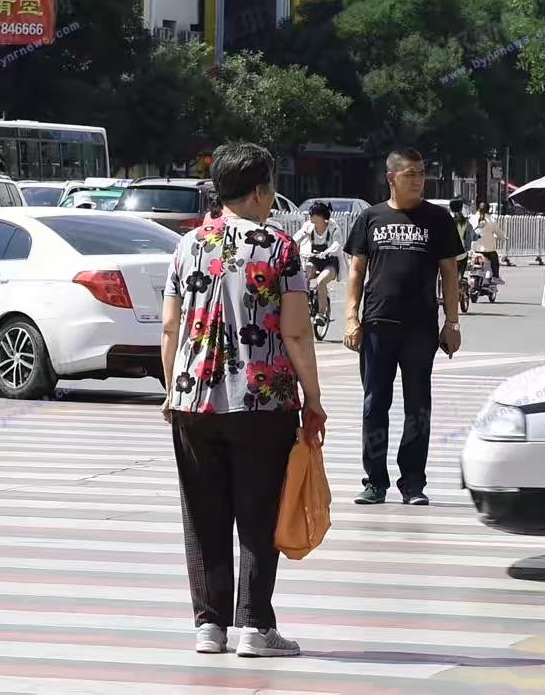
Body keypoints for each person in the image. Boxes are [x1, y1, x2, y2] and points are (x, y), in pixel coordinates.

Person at [160, 142, 326, 659]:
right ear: (258, 191)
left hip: (192, 398)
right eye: (271, 187)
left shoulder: (188, 246)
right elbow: (296, 332)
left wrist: (171, 388)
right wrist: (314, 399)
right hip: (263, 401)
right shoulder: (280, 249)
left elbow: (170, 326)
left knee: (203, 511)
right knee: (257, 511)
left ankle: (208, 626)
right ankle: (254, 626)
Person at [344, 147, 464, 507]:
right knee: (374, 405)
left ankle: (412, 482)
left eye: (422, 173)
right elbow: (356, 271)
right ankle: (374, 481)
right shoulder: (370, 218)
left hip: (421, 327)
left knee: (418, 406)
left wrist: (452, 322)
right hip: (378, 324)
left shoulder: (438, 219)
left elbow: (449, 273)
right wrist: (351, 317)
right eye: (411, 174)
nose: (419, 180)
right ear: (392, 177)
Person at [293, 201, 344, 325]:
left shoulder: (333, 227)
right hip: (313, 259)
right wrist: (290, 244)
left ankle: (321, 315)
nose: (310, 216)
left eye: (312, 214)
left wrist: (327, 251)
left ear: (321, 216)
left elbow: (337, 244)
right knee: (304, 275)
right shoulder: (308, 226)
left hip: (330, 261)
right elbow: (298, 236)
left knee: (321, 281)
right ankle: (304, 307)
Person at [471, 202, 506, 284]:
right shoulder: (491, 220)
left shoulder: (471, 218)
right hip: (488, 251)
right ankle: (495, 276)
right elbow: (499, 233)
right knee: (494, 258)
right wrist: (504, 237)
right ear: (488, 209)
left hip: (474, 249)